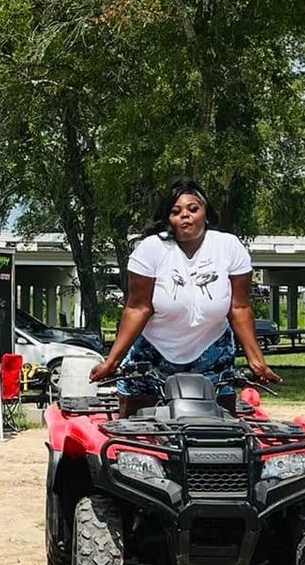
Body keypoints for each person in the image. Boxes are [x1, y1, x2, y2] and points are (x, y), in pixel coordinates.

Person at [89, 178, 280, 416]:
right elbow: (138, 308)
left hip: (212, 350)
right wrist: (112, 361)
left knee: (220, 428)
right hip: (154, 352)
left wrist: (256, 360)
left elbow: (239, 307)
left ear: (206, 215)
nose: (185, 216)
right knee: (137, 432)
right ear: (168, 219)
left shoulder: (229, 246)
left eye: (193, 209)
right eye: (176, 211)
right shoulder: (150, 249)